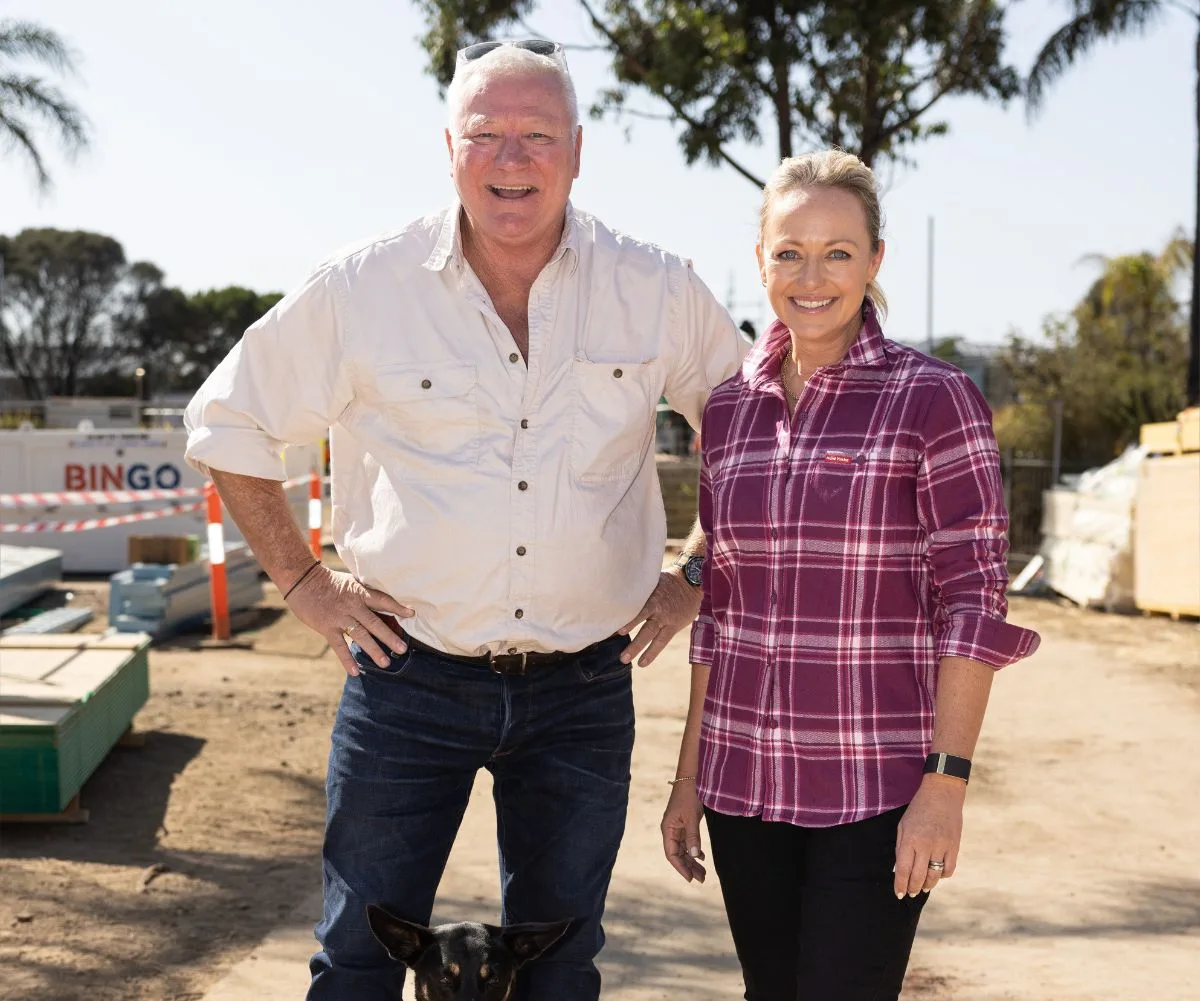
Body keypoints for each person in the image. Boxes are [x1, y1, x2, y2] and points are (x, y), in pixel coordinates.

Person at [183, 39, 747, 1001]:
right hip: (408, 681)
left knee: (562, 964)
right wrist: (307, 584)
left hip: (584, 688)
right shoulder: (364, 289)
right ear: (449, 147)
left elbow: (754, 428)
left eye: (536, 134)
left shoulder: (654, 287)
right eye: (487, 134)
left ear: (578, 148)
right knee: (357, 961)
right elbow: (226, 422)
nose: (512, 158)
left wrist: (697, 571)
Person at [660, 149, 1041, 1001]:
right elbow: (719, 610)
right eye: (789, 251)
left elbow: (973, 605)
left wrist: (946, 784)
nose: (812, 275)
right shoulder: (729, 412)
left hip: (876, 788)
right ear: (760, 260)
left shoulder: (935, 399)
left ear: (875, 260)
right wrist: (687, 781)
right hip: (743, 783)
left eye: (838, 251)